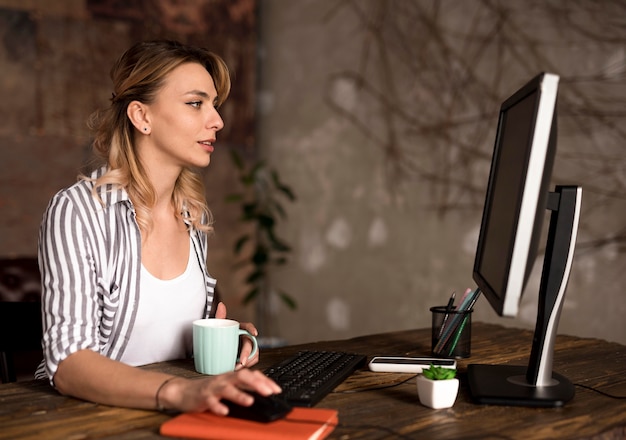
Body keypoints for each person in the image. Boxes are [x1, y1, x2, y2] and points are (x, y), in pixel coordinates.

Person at [35, 40, 281, 414]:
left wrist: (227, 338)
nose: (217, 120)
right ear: (141, 116)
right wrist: (180, 393)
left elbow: (162, 343)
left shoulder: (190, 214)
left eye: (214, 105)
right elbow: (69, 364)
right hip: (79, 420)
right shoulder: (77, 210)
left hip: (168, 417)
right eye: (196, 103)